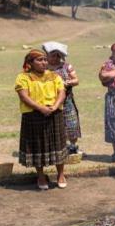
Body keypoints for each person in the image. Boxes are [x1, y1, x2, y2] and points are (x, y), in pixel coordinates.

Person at [15, 49, 68, 190]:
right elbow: (24, 96)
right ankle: (41, 176)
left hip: (54, 113)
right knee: (37, 146)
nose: (44, 62)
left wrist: (55, 106)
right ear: (30, 63)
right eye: (39, 60)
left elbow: (62, 92)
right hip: (33, 114)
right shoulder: (23, 77)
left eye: (45, 59)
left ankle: (61, 174)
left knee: (58, 144)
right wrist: (40, 108)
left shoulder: (54, 76)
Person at [43, 41, 82, 154]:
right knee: (54, 125)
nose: (55, 58)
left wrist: (68, 82)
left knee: (72, 123)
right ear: (47, 55)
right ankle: (57, 148)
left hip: (67, 100)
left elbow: (76, 80)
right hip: (50, 101)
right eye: (53, 55)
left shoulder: (66, 66)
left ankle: (73, 146)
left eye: (57, 55)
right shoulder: (44, 68)